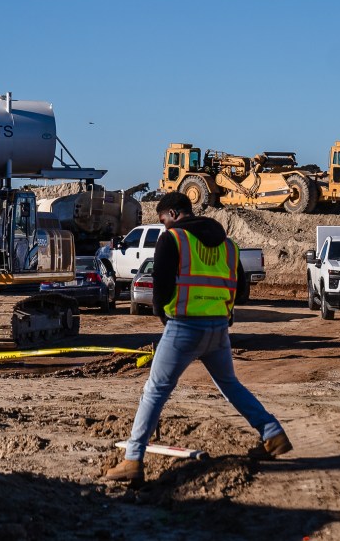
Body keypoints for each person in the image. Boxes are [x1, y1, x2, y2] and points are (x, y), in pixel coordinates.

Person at [104, 192, 291, 482]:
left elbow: (161, 289)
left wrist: (165, 317)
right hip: (218, 328)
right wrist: (222, 315)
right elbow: (239, 289)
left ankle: (132, 460)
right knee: (230, 384)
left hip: (183, 327)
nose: (164, 227)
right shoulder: (228, 246)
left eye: (164, 220)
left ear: (175, 214)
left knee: (155, 390)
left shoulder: (174, 239)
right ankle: (272, 433)